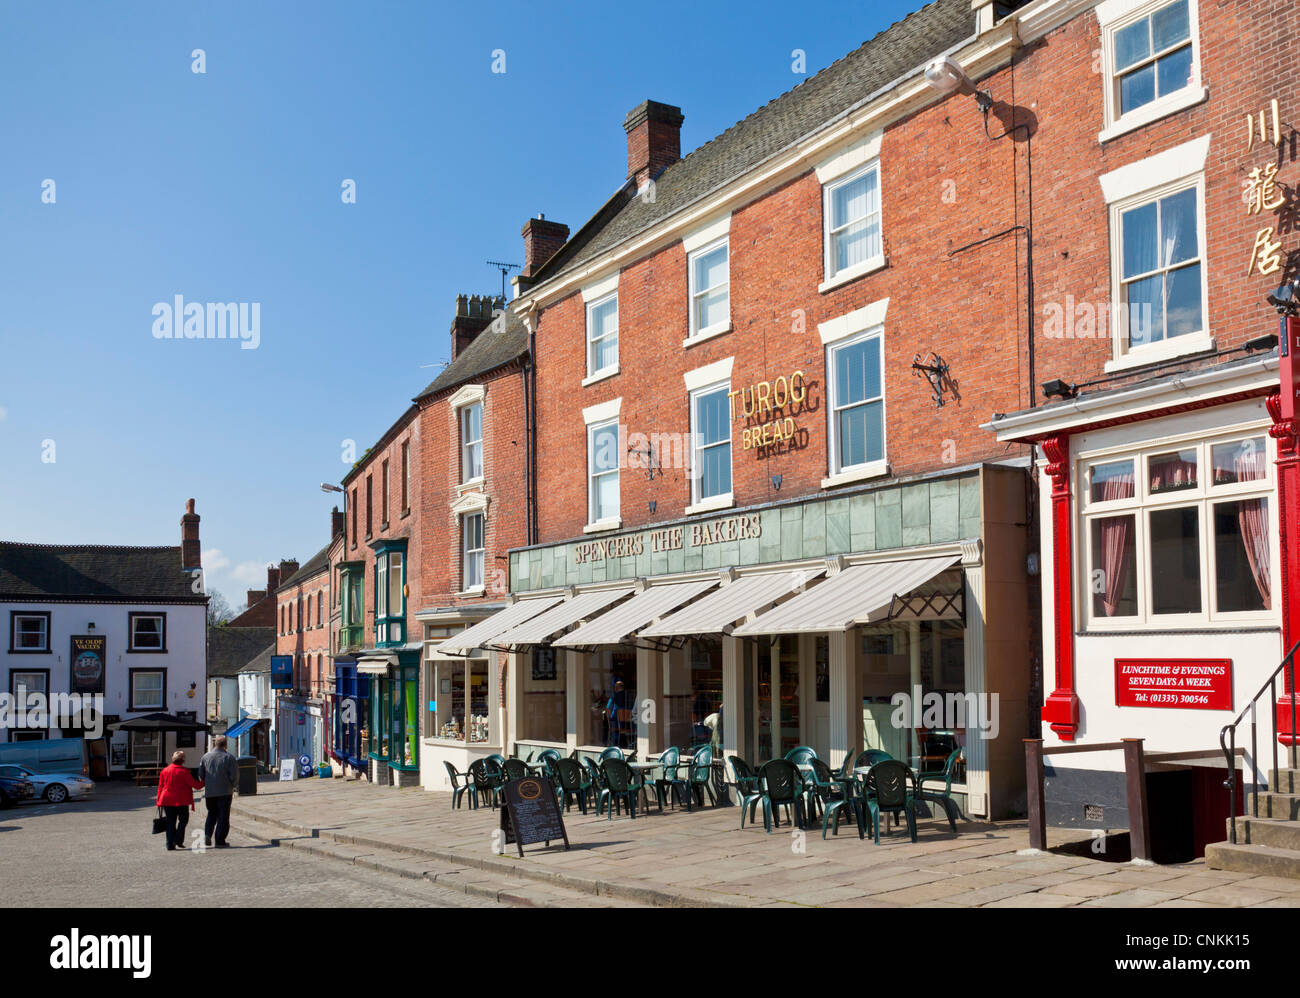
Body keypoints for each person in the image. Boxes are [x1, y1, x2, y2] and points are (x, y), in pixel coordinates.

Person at [156, 750, 204, 851]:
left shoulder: (165, 771)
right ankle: (177, 839)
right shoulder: (184, 772)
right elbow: (195, 785)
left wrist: (158, 801)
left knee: (170, 822)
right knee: (183, 821)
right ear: (183, 760)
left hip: (167, 800)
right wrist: (204, 781)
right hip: (181, 800)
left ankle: (170, 843)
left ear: (172, 759)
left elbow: (160, 787)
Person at [199, 734, 240, 848]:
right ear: (225, 745)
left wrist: (207, 782)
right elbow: (235, 775)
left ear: (214, 744)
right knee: (223, 815)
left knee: (212, 813)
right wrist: (233, 785)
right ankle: (220, 839)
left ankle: (207, 834)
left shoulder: (205, 757)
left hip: (210, 792)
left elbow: (200, 775)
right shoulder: (229, 757)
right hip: (225, 791)